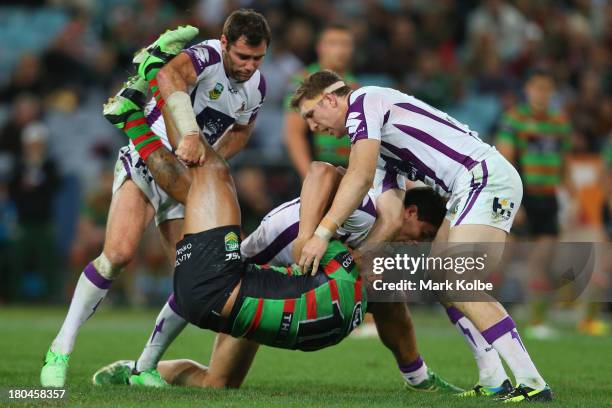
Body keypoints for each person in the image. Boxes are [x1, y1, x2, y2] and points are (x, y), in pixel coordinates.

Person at [41, 9, 271, 388]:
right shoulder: (208, 55)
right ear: (226, 43)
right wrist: (192, 134)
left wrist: (211, 163)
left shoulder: (257, 86)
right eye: (243, 57)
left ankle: (143, 367)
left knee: (192, 281)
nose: (249, 66)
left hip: (187, 181)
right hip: (148, 161)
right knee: (117, 255)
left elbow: (243, 130)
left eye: (258, 59)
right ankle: (59, 350)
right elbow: (171, 77)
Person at [291, 70, 552, 402]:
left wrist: (321, 234)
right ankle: (494, 379)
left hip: (484, 177)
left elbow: (358, 178)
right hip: (467, 187)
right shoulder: (381, 146)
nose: (312, 127)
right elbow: (391, 214)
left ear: (330, 99)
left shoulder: (364, 101)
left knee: (459, 280)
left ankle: (533, 383)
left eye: (311, 114)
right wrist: (364, 254)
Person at [93, 167, 458, 391]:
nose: (417, 243)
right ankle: (140, 367)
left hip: (293, 287)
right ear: (410, 212)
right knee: (219, 384)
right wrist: (306, 237)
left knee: (388, 294)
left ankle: (418, 378)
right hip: (256, 284)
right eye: (422, 233)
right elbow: (320, 171)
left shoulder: (382, 230)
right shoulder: (366, 211)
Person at [496, 68, 573, 340]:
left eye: (547, 89)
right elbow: (505, 159)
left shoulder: (560, 123)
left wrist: (567, 197)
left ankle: (537, 321)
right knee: (500, 261)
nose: (542, 94)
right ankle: (473, 312)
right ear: (527, 89)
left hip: (549, 198)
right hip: (522, 195)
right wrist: (514, 200)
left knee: (543, 260)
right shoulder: (514, 120)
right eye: (537, 88)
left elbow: (564, 163)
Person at [284, 23, 357, 179]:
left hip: (349, 169)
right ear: (320, 47)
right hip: (318, 166)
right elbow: (294, 134)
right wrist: (309, 177)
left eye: (345, 44)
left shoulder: (355, 85)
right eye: (333, 43)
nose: (340, 50)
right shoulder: (304, 80)